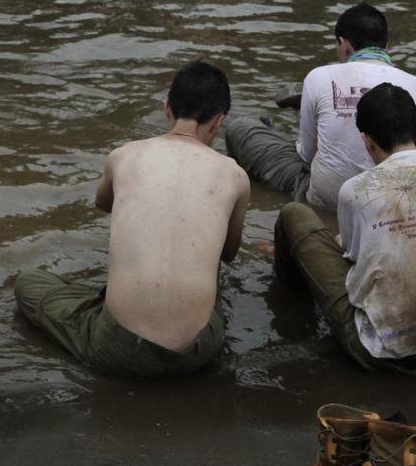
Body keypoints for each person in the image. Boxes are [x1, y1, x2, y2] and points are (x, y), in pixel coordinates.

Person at [13, 62, 249, 377]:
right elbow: (229, 254)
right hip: (200, 351)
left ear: (167, 108)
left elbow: (103, 203)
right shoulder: (234, 175)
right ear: (219, 122)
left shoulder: (123, 156)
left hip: (119, 351)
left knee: (29, 282)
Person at [270, 84, 416, 371]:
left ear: (367, 141)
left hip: (382, 351)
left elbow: (354, 260)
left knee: (294, 215)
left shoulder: (356, 190)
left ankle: (287, 310)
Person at [225, 3, 416, 211]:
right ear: (387, 46)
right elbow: (415, 152)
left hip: (326, 201)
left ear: (344, 44)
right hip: (397, 198)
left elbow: (307, 155)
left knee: (241, 127)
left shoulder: (320, 76)